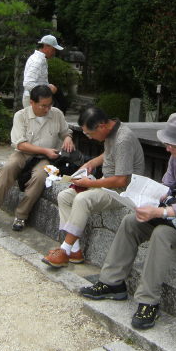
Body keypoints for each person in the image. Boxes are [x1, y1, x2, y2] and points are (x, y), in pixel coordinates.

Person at [79, 112, 176, 330]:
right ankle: (112, 283)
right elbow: (166, 186)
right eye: (168, 144)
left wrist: (159, 212)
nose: (168, 149)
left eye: (173, 146)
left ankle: (148, 301)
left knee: (161, 234)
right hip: (173, 215)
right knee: (130, 221)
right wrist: (143, 199)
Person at [41, 106, 145, 268]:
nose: (89, 138)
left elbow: (121, 181)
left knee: (82, 199)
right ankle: (74, 250)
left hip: (122, 192)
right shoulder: (113, 130)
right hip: (107, 183)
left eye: (89, 133)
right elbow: (109, 154)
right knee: (64, 196)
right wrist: (90, 163)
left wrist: (90, 183)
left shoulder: (123, 139)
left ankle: (64, 250)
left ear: (101, 126)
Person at [0, 84, 74, 231]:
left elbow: (66, 131)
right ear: (32, 102)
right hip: (23, 153)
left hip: (45, 158)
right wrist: (45, 150)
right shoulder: (21, 116)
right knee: (8, 168)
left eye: (50, 105)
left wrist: (68, 138)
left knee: (40, 177)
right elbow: (20, 144)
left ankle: (21, 216)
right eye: (43, 106)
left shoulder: (57, 114)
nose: (47, 109)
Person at [22, 34, 63, 109]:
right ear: (46, 46)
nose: (54, 53)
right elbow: (28, 83)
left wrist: (47, 86)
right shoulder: (37, 61)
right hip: (35, 100)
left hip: (36, 98)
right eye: (53, 50)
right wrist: (47, 90)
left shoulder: (39, 59)